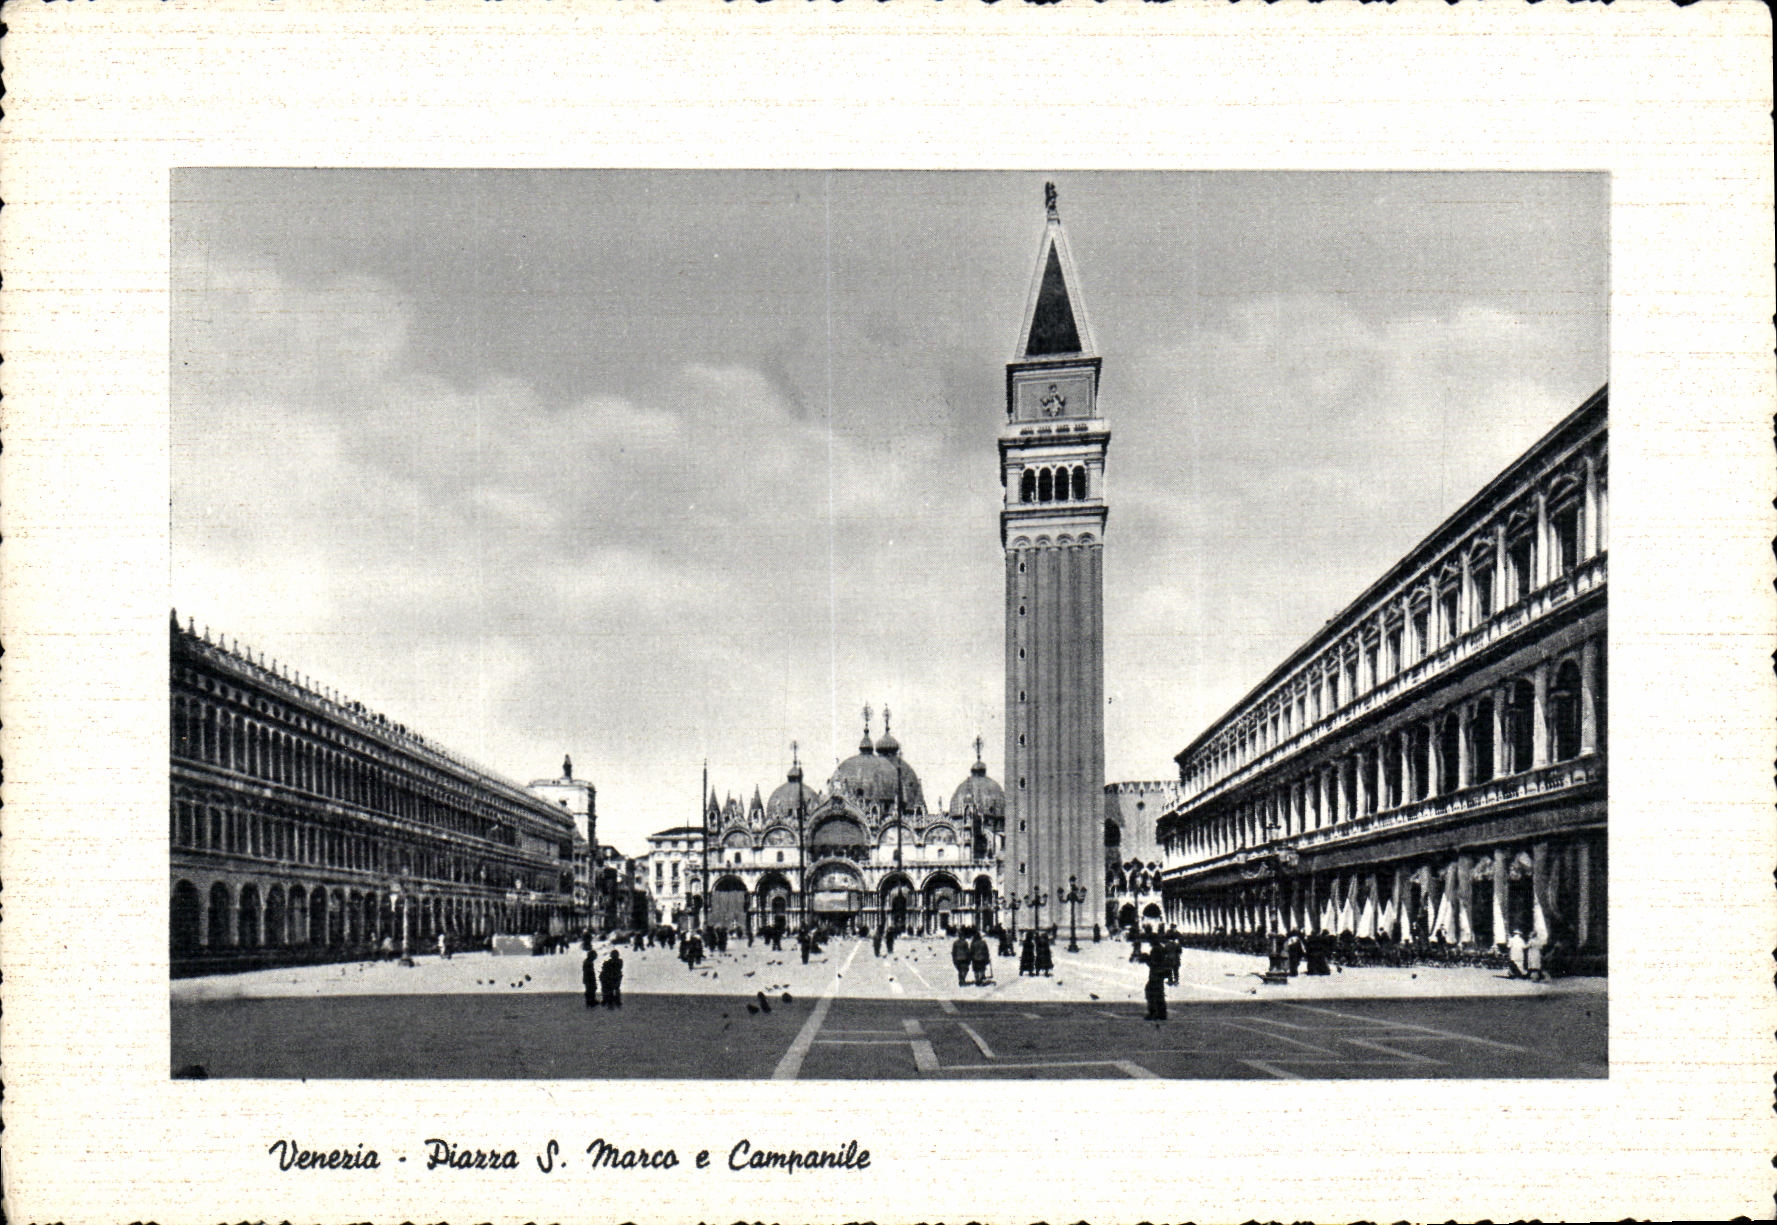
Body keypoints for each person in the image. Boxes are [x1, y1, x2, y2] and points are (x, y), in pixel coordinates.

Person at [1142, 938, 1168, 1022]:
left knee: (1151, 993)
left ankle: (1153, 1013)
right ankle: (1162, 1014)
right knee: (1159, 994)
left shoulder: (1155, 950)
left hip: (1155, 975)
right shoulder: (1161, 948)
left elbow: (1153, 963)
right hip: (1160, 974)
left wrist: (1146, 958)